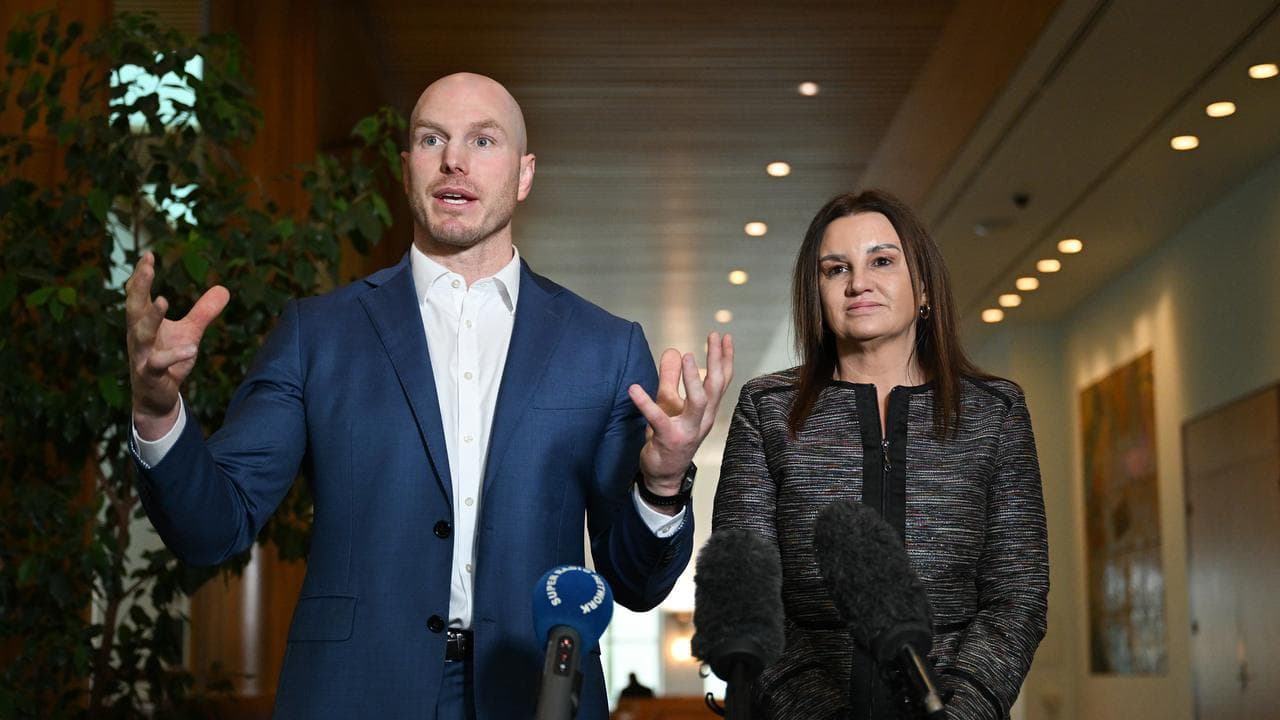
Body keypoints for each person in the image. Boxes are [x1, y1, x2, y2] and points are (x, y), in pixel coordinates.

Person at [125, 72, 734, 720]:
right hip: (353, 694)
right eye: (431, 139)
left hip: (535, 693)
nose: (454, 160)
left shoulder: (604, 349)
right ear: (407, 166)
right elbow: (211, 528)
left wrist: (664, 482)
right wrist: (158, 411)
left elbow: (636, 583)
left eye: (483, 140)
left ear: (524, 174)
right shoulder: (317, 334)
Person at [712, 190, 1047, 720]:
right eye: (835, 269)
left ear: (924, 287)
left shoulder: (995, 412)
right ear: (816, 293)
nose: (858, 282)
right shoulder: (766, 410)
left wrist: (959, 713)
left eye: (882, 261)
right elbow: (748, 599)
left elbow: (1017, 598)